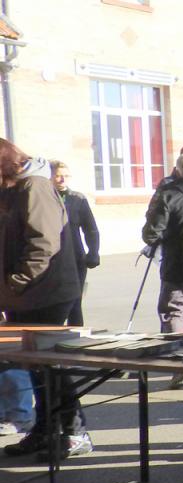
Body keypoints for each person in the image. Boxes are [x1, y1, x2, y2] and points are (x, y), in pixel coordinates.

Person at [0, 140, 92, 461]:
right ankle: (44, 429)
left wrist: (14, 282)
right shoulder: (11, 190)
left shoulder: (34, 187)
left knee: (50, 364)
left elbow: (43, 244)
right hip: (22, 295)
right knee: (35, 365)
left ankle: (75, 431)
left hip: (46, 291)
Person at [141, 151, 183, 341]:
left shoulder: (168, 195)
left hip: (179, 264)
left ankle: (176, 359)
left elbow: (151, 233)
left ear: (178, 170)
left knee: (174, 310)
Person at [50, 160, 99, 327]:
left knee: (75, 302)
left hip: (76, 257)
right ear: (49, 177)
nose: (62, 180)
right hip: (53, 258)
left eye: (66, 176)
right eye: (58, 176)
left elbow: (91, 229)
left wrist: (93, 252)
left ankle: (76, 335)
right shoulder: (44, 198)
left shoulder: (77, 199)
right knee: (55, 302)